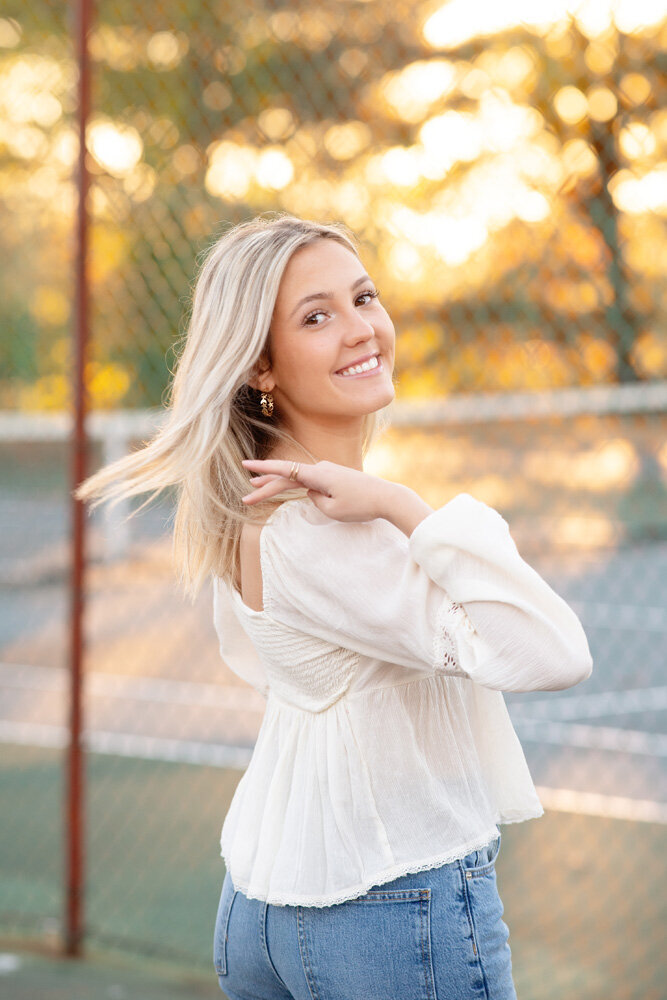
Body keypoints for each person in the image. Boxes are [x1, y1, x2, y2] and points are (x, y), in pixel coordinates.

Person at [75, 212, 593, 1000]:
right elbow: (553, 652)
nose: (360, 329)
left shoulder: (257, 504)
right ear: (260, 366)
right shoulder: (324, 523)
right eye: (316, 317)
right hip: (386, 899)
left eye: (363, 297)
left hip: (266, 907)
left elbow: (277, 666)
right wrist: (405, 506)